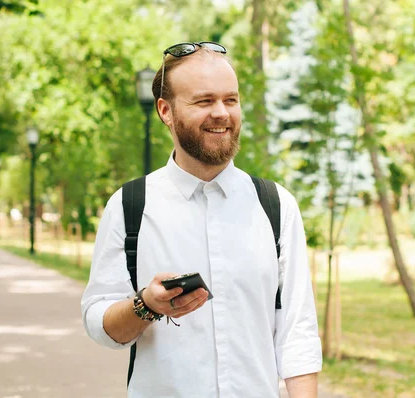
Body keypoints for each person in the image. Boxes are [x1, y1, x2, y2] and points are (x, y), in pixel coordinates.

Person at [81, 41, 322, 398]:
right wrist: (145, 305)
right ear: (166, 111)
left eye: (231, 100)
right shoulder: (131, 206)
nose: (222, 113)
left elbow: (296, 334)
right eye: (204, 101)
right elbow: (101, 325)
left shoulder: (276, 206)